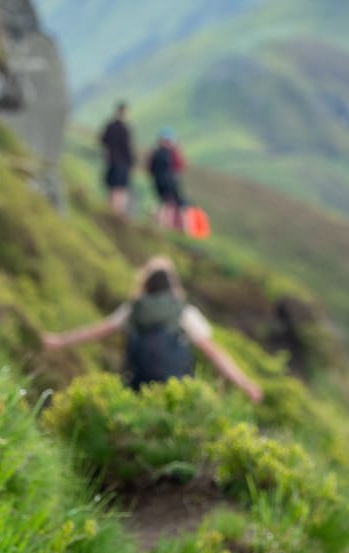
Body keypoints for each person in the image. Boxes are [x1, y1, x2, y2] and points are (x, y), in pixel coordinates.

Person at [43, 256, 263, 402]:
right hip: (176, 388)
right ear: (173, 284)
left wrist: (58, 341)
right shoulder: (184, 312)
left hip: (138, 384)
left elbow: (97, 331)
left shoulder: (134, 309)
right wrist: (245, 383)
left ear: (145, 282)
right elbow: (214, 353)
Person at [99, 102, 135, 218]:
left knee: (112, 187)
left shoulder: (110, 126)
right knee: (121, 189)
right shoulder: (124, 129)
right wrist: (131, 163)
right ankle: (118, 214)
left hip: (111, 161)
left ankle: (111, 210)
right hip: (122, 163)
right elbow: (127, 147)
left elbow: (102, 140)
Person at [147, 128, 186, 231]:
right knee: (170, 204)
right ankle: (167, 227)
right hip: (169, 182)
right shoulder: (171, 153)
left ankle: (164, 225)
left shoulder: (155, 152)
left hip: (159, 181)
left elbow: (150, 168)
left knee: (165, 204)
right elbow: (180, 165)